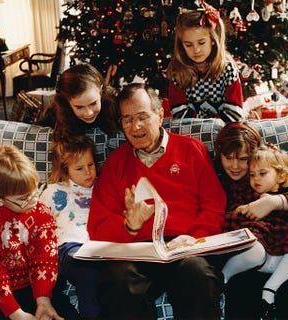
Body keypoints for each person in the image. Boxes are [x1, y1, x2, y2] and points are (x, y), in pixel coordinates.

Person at [87, 83, 226, 319]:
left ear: (160, 114)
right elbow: (97, 226)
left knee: (197, 273)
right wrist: (129, 225)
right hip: (138, 251)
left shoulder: (192, 150)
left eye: (142, 117)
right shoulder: (115, 164)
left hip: (186, 248)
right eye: (127, 119)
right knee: (116, 280)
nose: (136, 127)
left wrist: (194, 238)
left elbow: (214, 205)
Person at [214, 122, 288, 319]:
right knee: (244, 291)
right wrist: (241, 212)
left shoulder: (275, 177)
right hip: (248, 253)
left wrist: (277, 201)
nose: (235, 166)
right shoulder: (220, 181)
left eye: (243, 159)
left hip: (284, 250)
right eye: (229, 158)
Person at [0, 145, 79, 320]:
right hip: (5, 289)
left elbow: (45, 258)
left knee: (66, 312)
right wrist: (15, 313)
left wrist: (43, 300)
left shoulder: (40, 212)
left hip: (40, 285)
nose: (33, 200)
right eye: (23, 198)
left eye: (34, 190)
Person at [39, 136, 100, 320]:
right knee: (86, 272)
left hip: (99, 248)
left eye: (91, 165)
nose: (88, 172)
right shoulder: (54, 190)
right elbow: (37, 221)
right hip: (68, 247)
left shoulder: (103, 186)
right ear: (65, 170)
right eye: (79, 169)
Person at [166, 1, 244, 122]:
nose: (196, 50)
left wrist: (209, 124)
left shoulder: (228, 68)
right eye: (188, 45)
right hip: (192, 133)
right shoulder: (178, 72)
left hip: (225, 133)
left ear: (213, 40)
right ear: (181, 45)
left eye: (201, 43)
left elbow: (235, 113)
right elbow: (180, 117)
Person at [47, 63, 119, 141]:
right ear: (66, 102)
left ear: (101, 91)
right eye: (79, 107)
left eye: (93, 103)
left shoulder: (115, 105)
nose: (89, 113)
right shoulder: (55, 116)